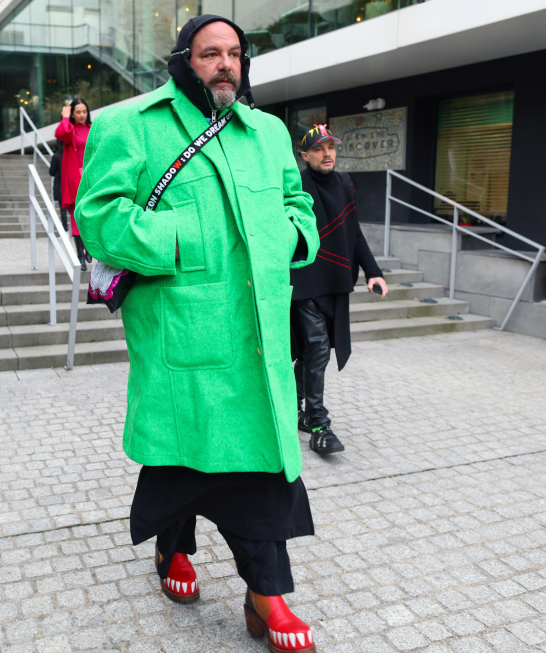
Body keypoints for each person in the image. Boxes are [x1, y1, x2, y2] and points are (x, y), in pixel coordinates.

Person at [76, 15, 321, 653]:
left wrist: (293, 237)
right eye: (211, 53)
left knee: (258, 473)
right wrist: (187, 241)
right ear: (184, 59)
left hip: (258, 339)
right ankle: (175, 548)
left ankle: (263, 593)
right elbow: (96, 215)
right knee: (183, 457)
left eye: (235, 54)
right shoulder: (130, 124)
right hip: (181, 333)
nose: (225, 64)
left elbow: (298, 204)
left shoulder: (268, 132)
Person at [290, 125, 389, 455]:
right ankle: (319, 423)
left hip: (335, 279)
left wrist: (373, 272)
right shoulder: (297, 185)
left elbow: (353, 230)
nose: (327, 153)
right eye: (319, 149)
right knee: (317, 347)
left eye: (330, 147)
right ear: (305, 156)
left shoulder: (345, 183)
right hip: (305, 280)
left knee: (313, 350)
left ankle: (295, 410)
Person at [54, 98, 92, 268]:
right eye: (78, 112)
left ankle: (89, 248)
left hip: (91, 177)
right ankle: (79, 255)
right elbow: (60, 133)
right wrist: (65, 116)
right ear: (72, 114)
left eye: (84, 111)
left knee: (92, 213)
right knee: (76, 216)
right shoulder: (70, 130)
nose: (82, 115)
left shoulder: (92, 128)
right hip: (75, 177)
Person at [48, 143, 87, 270]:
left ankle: (65, 229)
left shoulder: (56, 156)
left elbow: (51, 172)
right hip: (72, 186)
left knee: (64, 211)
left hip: (62, 186)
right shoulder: (71, 156)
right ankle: (84, 249)